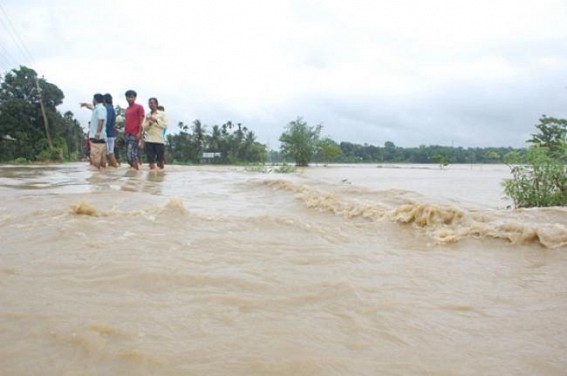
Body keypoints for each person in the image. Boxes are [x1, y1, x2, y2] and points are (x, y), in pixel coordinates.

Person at [81, 93, 107, 170]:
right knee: (100, 160)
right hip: (98, 137)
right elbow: (91, 107)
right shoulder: (97, 108)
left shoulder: (100, 109)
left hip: (97, 137)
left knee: (95, 159)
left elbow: (101, 120)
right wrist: (85, 104)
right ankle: (102, 178)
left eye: (93, 99)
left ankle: (96, 178)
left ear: (95, 100)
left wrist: (98, 132)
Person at [142, 97, 168, 169]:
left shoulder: (162, 114)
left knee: (160, 161)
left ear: (156, 104)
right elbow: (144, 127)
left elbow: (165, 125)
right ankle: (152, 176)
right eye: (149, 103)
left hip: (159, 140)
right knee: (151, 161)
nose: (150, 105)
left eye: (152, 103)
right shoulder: (147, 115)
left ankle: (161, 175)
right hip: (149, 140)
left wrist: (156, 120)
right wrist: (149, 124)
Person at [124, 89, 145, 170]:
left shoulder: (139, 107)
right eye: (128, 97)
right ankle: (133, 175)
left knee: (132, 154)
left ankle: (136, 173)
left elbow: (142, 120)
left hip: (134, 133)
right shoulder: (127, 109)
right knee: (128, 156)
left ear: (135, 98)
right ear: (126, 98)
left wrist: (139, 133)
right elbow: (126, 121)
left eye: (132, 97)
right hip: (127, 134)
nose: (130, 99)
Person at [104, 93, 119, 167]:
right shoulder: (111, 108)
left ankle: (115, 168)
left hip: (108, 134)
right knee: (108, 153)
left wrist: (103, 131)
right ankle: (112, 171)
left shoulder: (108, 108)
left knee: (110, 153)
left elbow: (108, 122)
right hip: (110, 133)